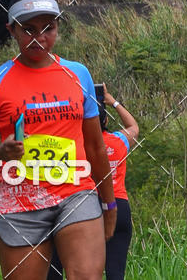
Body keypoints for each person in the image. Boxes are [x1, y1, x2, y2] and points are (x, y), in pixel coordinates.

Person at [0, 0, 116, 280]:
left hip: (75, 191)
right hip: (19, 199)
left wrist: (109, 203)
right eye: (28, 30)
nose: (39, 38)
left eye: (48, 28)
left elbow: (95, 147)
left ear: (58, 27)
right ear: (12, 30)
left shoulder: (78, 74)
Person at [47, 84, 138, 280]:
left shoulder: (78, 147)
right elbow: (134, 127)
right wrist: (112, 101)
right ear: (106, 120)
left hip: (86, 208)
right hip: (119, 206)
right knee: (116, 273)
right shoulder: (119, 141)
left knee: (74, 268)